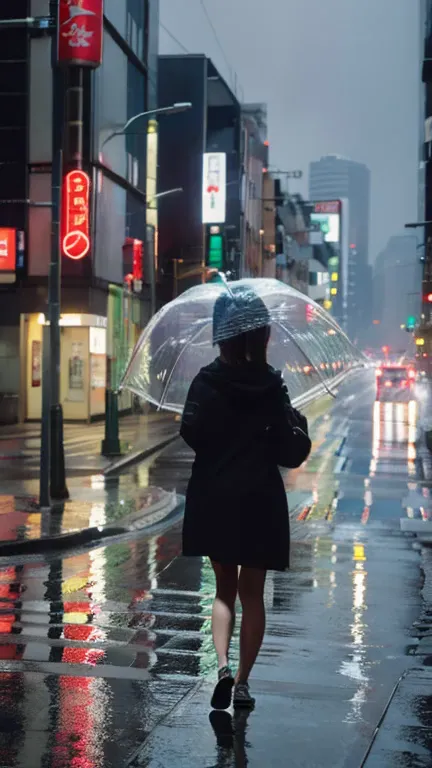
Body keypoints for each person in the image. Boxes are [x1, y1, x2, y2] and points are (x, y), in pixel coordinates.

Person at [180, 286, 310, 711]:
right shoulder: (273, 386)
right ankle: (242, 684)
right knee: (253, 594)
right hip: (260, 499)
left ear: (222, 334)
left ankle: (220, 666)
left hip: (215, 495)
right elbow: (290, 453)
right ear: (262, 335)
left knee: (224, 591)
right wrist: (297, 425)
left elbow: (191, 434)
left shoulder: (206, 381)